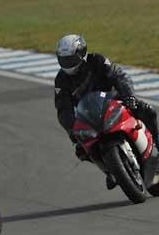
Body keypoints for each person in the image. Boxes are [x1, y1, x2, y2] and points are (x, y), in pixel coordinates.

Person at [54, 34, 159, 189]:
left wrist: (129, 95)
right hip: (88, 116)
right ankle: (111, 171)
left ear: (81, 53)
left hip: (114, 101)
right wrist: (72, 128)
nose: (67, 64)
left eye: (70, 59)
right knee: (81, 149)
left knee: (146, 110)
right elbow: (63, 108)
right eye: (63, 60)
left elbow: (118, 76)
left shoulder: (97, 60)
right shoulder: (61, 80)